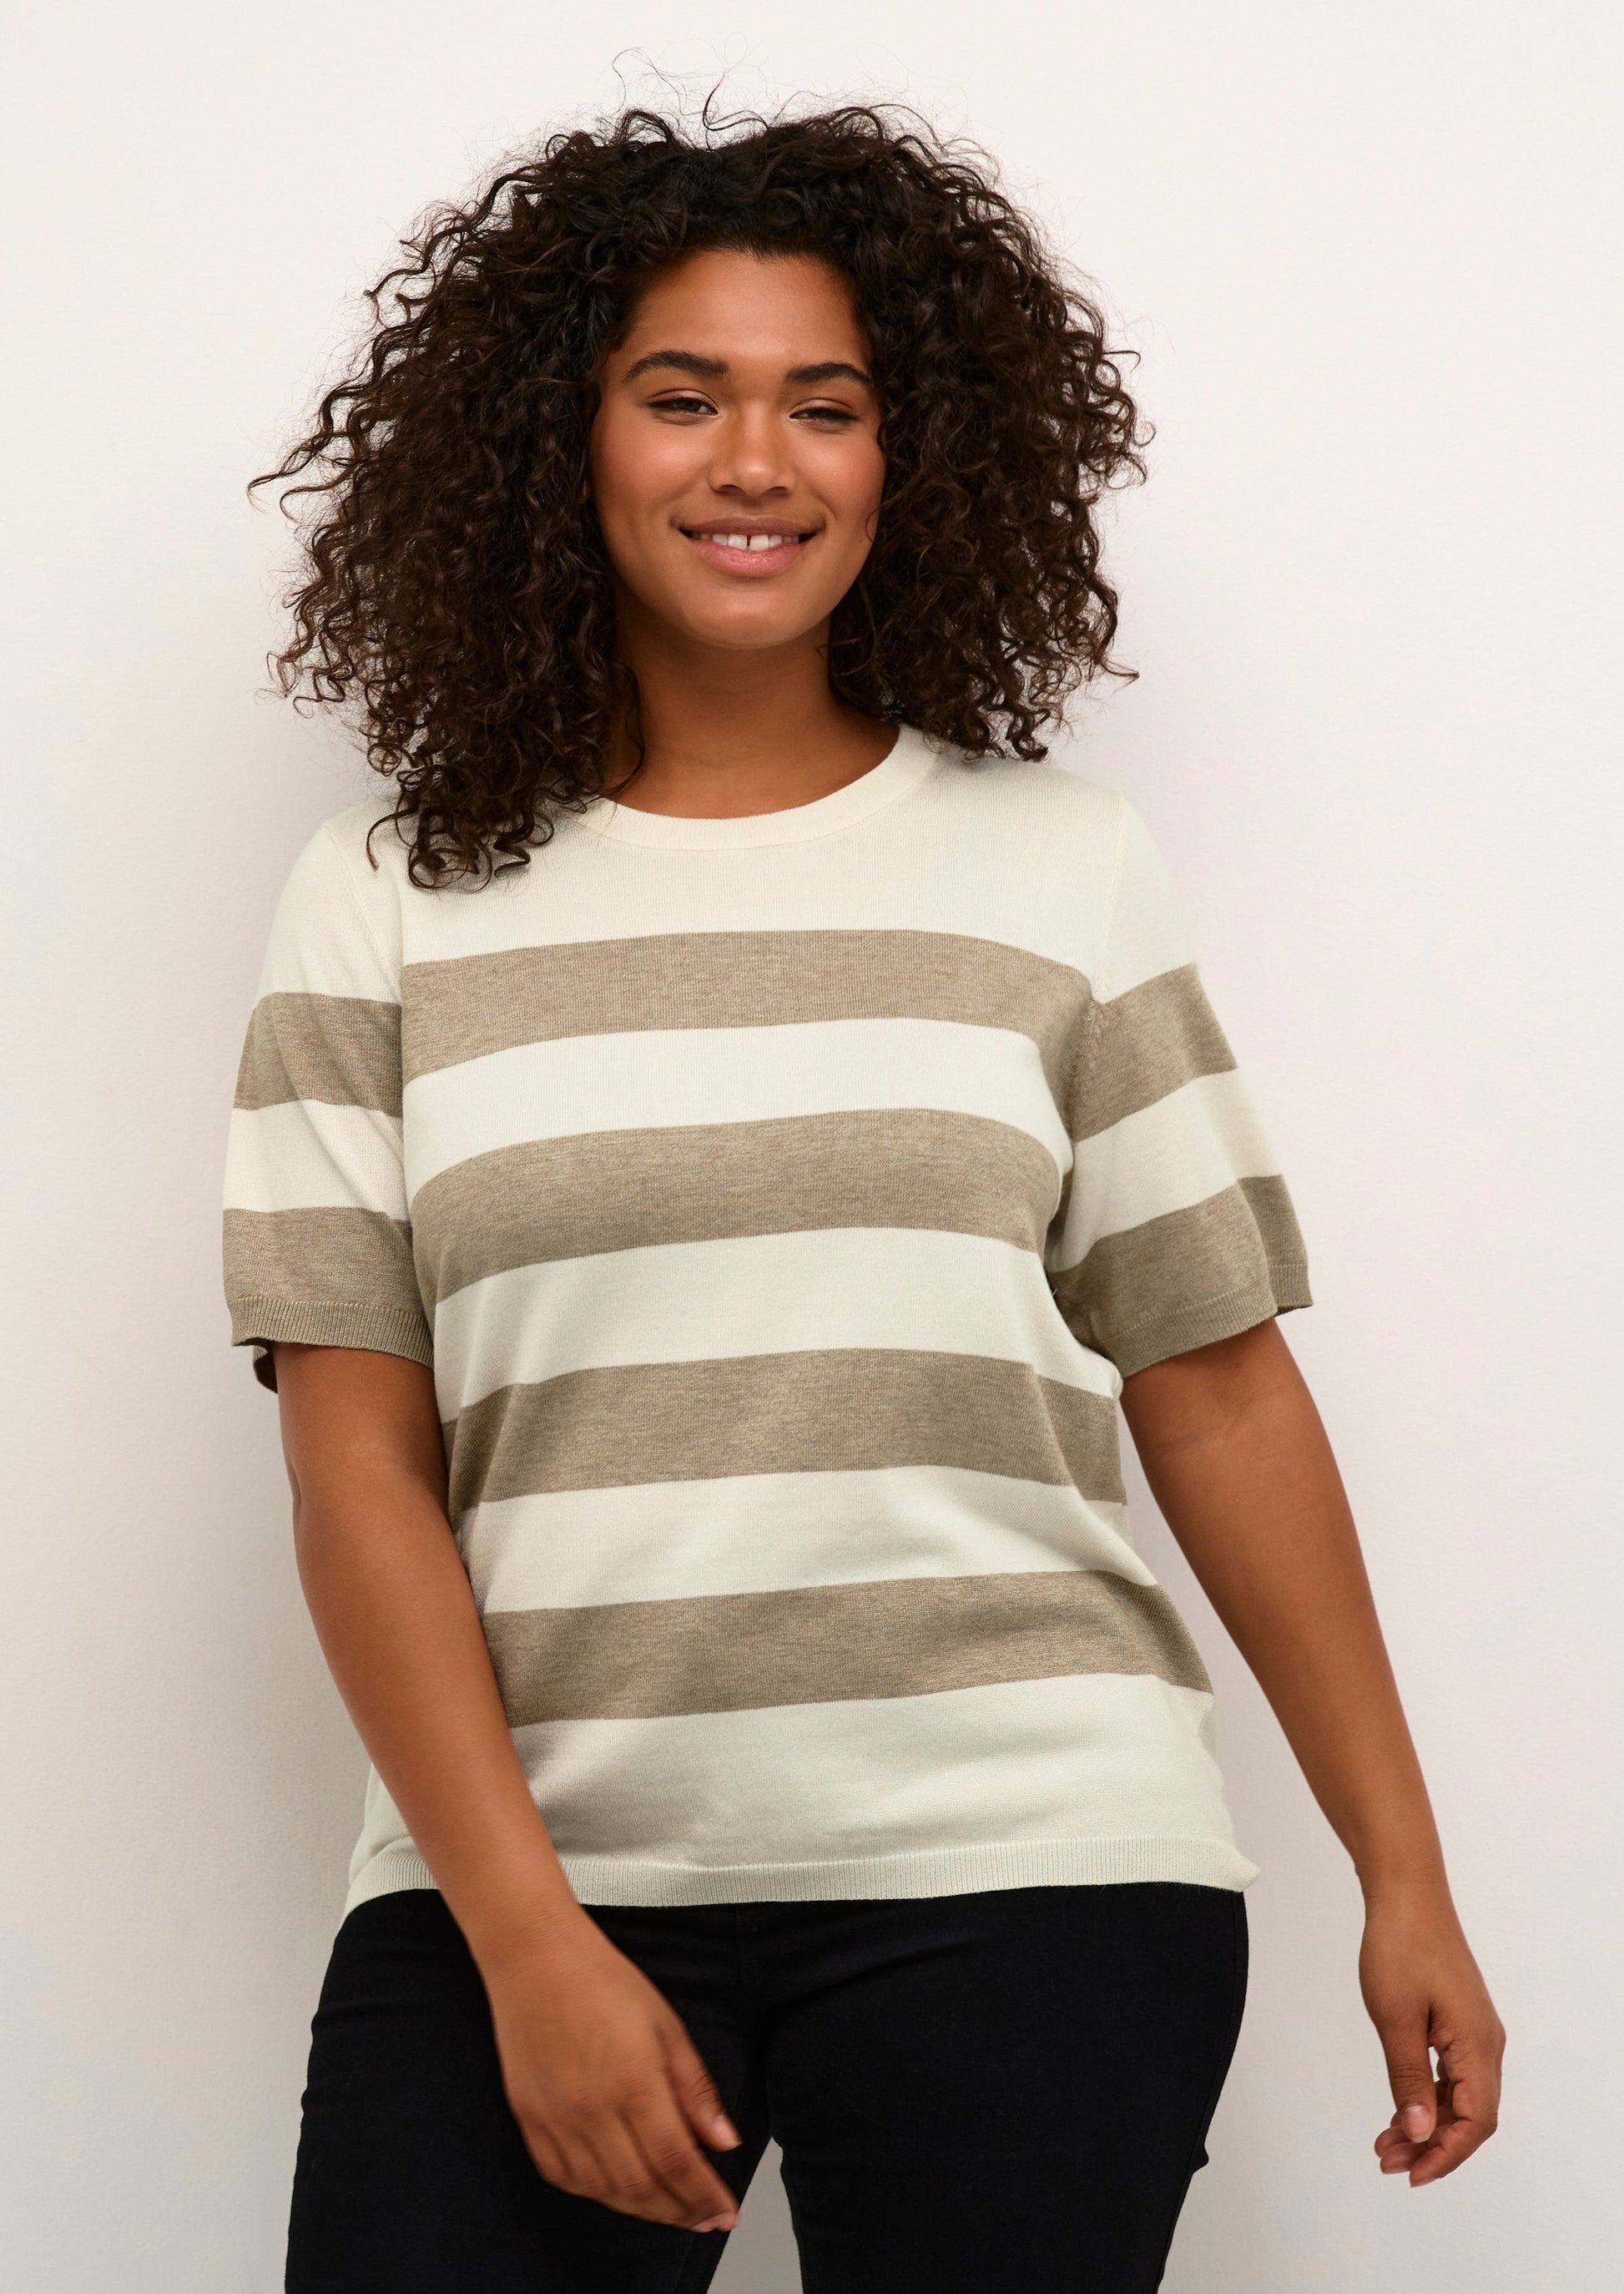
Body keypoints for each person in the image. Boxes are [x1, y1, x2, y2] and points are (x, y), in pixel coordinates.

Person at [225, 102, 1503, 2294]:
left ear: (911, 457)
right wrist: (524, 1937)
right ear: (561, 439)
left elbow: (1214, 1387)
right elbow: (359, 1470)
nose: (757, 461)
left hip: (1033, 1868)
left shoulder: (1059, 867)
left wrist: (1405, 1871)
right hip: (530, 1879)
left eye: (825, 403)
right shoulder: (383, 899)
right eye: (681, 395)